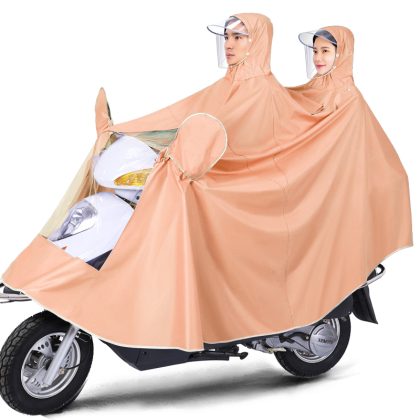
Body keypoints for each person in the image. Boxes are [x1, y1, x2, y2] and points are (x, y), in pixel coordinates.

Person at [2, 18, 413, 352]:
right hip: (218, 173)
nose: (230, 45)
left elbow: (278, 152)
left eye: (240, 38)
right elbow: (182, 115)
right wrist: (126, 131)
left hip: (269, 188)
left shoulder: (297, 97)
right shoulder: (247, 88)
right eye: (228, 38)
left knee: (198, 211)